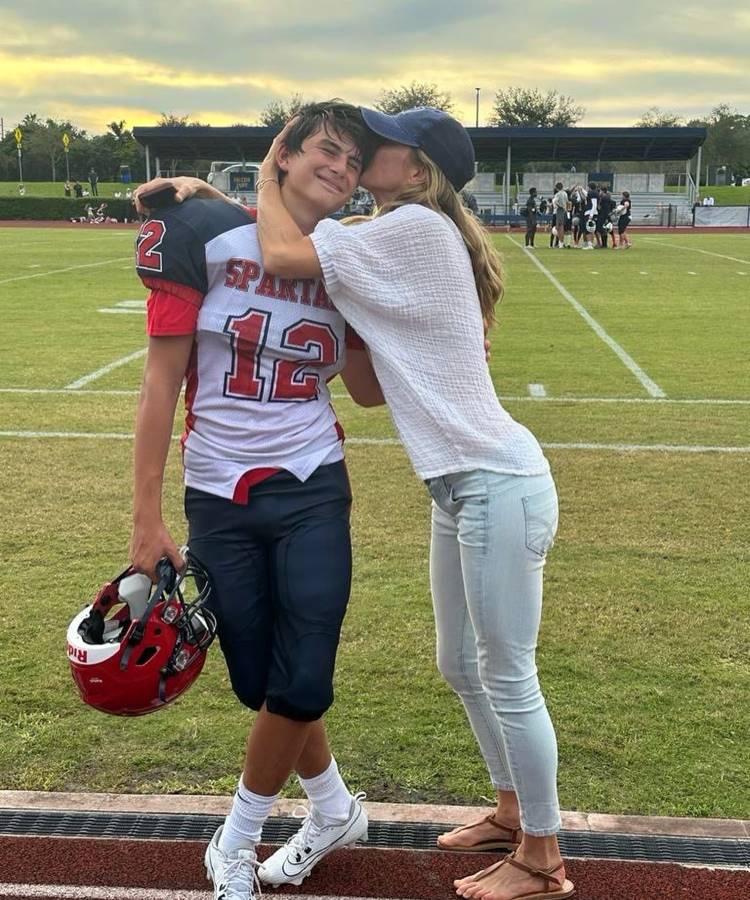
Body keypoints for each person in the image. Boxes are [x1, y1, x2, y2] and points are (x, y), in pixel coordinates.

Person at [148, 105, 574, 900]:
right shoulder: (396, 236)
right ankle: (513, 809)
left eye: (383, 146)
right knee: (460, 663)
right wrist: (213, 203)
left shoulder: (412, 229)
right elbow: (371, 386)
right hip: (461, 485)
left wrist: (267, 165)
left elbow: (279, 245)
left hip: (496, 480)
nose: (365, 154)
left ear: (416, 172)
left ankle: (543, 860)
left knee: (509, 673)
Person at [131, 101, 384, 900]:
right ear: (283, 154)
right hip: (216, 490)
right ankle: (335, 807)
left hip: (311, 480)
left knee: (303, 682)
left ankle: (234, 840)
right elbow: (161, 381)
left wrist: (407, 324)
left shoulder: (350, 257)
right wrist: (145, 517)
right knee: (262, 686)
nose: (339, 168)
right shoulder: (209, 233)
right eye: (326, 150)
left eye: (353, 161)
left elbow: (372, 394)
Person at [551, 182, 568, 249]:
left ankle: (560, 243)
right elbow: (567, 202)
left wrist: (557, 206)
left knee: (559, 227)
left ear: (556, 187)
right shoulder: (565, 193)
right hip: (564, 211)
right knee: (562, 227)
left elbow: (555, 201)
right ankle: (561, 243)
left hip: (560, 210)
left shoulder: (558, 194)